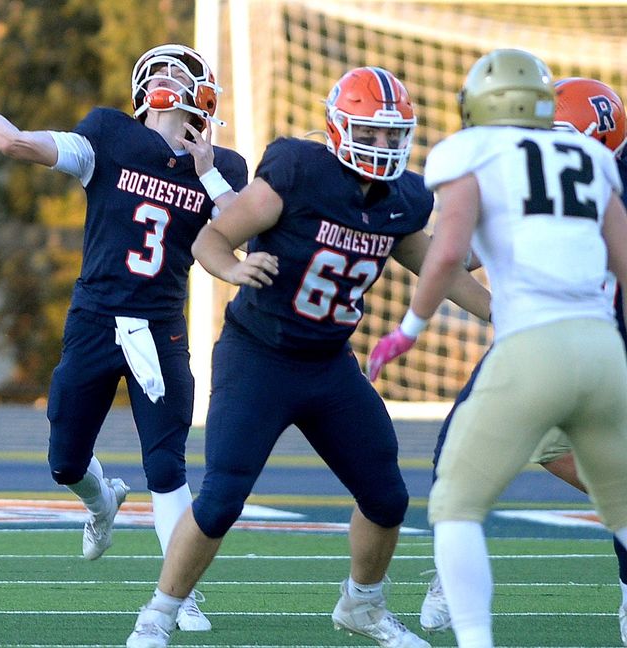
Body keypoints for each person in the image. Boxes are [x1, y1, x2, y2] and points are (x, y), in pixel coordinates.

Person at [125, 65, 491, 648]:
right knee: (220, 499)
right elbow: (210, 238)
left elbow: (441, 266)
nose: (382, 146)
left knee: (386, 495)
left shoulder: (402, 200)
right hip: (259, 356)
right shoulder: (299, 171)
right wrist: (234, 269)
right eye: (369, 133)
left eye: (391, 136)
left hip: (327, 363)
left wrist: (505, 311)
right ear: (340, 128)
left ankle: (362, 606)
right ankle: (159, 614)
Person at [0, 43, 248, 631]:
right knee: (65, 460)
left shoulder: (225, 166)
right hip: (97, 318)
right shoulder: (109, 135)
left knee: (168, 467)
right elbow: (16, 143)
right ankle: (101, 501)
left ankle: (180, 590)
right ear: (148, 85)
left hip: (161, 328)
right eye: (172, 70)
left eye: (190, 71)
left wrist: (209, 175)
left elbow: (242, 241)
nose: (181, 78)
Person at [367, 49, 627, 648]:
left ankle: (471, 630)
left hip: (538, 341)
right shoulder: (594, 165)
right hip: (600, 347)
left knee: (455, 497)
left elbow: (449, 254)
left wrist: (408, 328)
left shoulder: (482, 156)